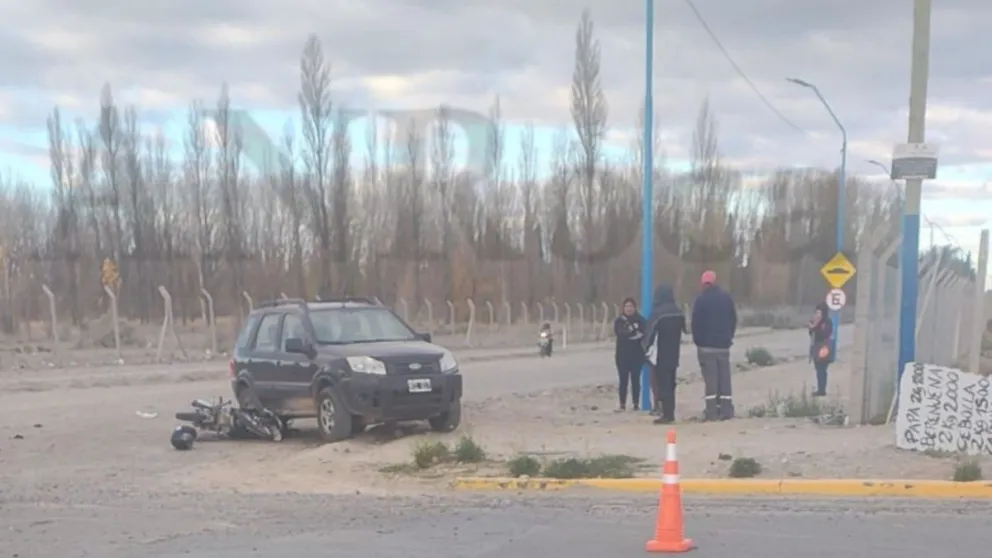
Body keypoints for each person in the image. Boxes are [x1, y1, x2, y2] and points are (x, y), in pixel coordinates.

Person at [691, 270, 737, 421]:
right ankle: (726, 409)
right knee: (724, 378)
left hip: (706, 347)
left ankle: (712, 411)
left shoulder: (700, 300)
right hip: (723, 346)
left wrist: (698, 341)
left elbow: (695, 323)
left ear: (703, 283)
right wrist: (728, 337)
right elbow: (733, 319)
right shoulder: (726, 298)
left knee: (711, 379)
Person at [642, 285, 687, 424]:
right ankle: (670, 411)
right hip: (674, 353)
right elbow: (685, 329)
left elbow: (649, 333)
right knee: (671, 383)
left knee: (662, 383)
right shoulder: (678, 312)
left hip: (660, 353)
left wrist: (645, 349)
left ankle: (666, 414)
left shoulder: (658, 313)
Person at [613, 297, 646, 412]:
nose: (629, 309)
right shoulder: (619, 321)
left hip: (637, 355)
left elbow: (645, 332)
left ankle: (636, 403)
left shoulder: (640, 320)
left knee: (636, 380)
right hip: (622, 355)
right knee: (623, 381)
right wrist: (632, 332)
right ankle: (622, 403)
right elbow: (620, 333)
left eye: (631, 306)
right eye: (627, 306)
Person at [808, 302, 834, 397]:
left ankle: (822, 390)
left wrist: (816, 327)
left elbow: (825, 334)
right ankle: (820, 388)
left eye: (819, 313)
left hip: (824, 348)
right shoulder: (814, 321)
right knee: (818, 369)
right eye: (816, 312)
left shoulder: (827, 322)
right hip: (816, 346)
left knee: (822, 369)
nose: (817, 315)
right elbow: (811, 333)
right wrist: (812, 327)